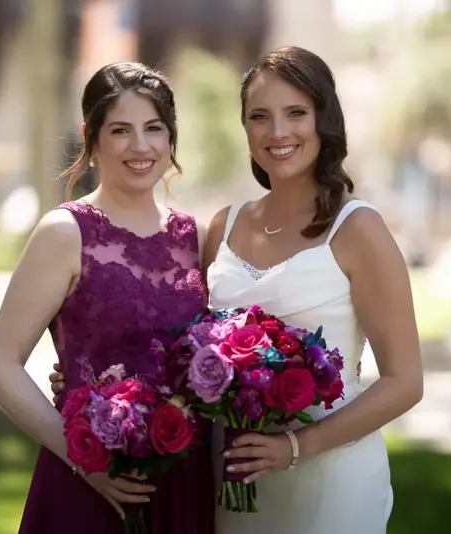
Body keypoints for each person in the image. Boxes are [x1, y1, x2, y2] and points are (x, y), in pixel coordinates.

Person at [50, 46, 423, 534]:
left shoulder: (358, 229)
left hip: (329, 481)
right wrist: (92, 378)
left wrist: (295, 447)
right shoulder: (223, 228)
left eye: (296, 113)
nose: (277, 132)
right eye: (259, 117)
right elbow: (182, 345)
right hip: (231, 483)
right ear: (245, 128)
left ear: (324, 119)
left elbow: (404, 382)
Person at [0, 61, 215, 534]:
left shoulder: (198, 237)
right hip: (87, 481)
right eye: (121, 130)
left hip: (184, 483)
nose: (140, 145)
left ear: (171, 137)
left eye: (154, 128)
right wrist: (82, 459)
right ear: (92, 137)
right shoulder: (64, 233)